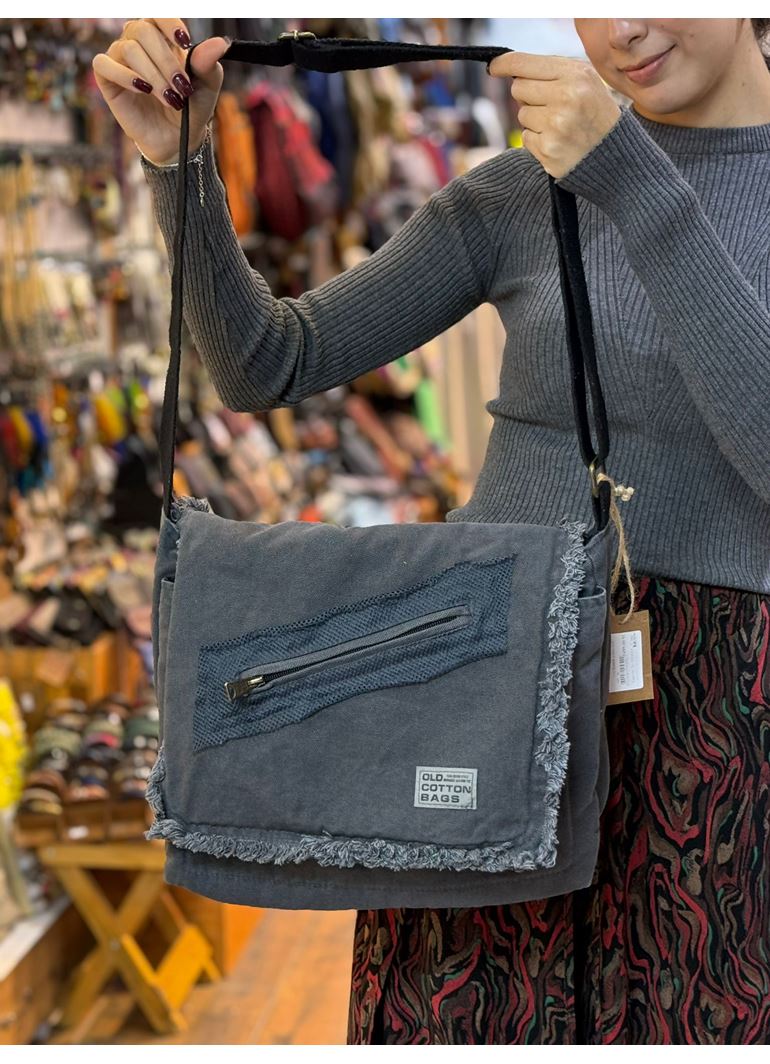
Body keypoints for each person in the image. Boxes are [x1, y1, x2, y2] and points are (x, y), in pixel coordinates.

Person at [93, 17, 770, 1045]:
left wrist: (633, 181)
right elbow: (268, 362)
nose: (623, 27)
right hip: (490, 689)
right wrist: (176, 165)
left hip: (713, 725)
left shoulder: (601, 169)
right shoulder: (523, 190)